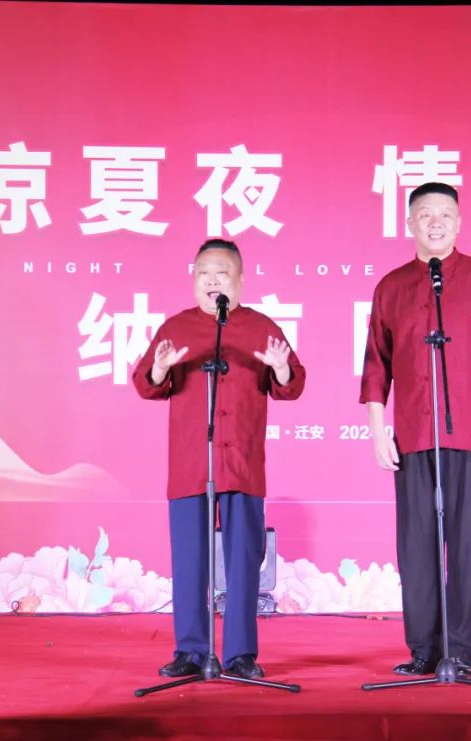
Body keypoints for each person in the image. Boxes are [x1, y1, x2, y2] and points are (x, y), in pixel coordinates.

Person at [360, 182, 471, 677]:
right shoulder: (391, 287)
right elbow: (376, 366)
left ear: (459, 223)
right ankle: (424, 648)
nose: (435, 222)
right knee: (417, 546)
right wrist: (378, 431)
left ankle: (461, 651)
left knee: (467, 545)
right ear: (409, 223)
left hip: (468, 436)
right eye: (425, 214)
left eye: (445, 214)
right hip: (412, 435)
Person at [133, 238, 305, 680]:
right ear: (193, 280)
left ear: (240, 281)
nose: (212, 281)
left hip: (243, 465)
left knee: (244, 561)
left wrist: (280, 369)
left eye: (222, 273)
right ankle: (191, 651)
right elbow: (146, 384)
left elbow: (292, 385)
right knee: (189, 560)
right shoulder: (176, 328)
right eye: (204, 273)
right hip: (191, 465)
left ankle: (241, 654)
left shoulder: (260, 327)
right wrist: (159, 369)